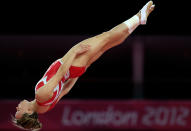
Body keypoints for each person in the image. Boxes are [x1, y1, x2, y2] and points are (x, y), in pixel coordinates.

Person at [12, 1, 155, 130]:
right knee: (106, 37)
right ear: (29, 112)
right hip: (72, 62)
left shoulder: (42, 109)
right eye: (19, 110)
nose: (18, 106)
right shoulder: (40, 95)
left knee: (107, 44)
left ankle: (138, 19)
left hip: (75, 68)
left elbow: (65, 90)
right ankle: (138, 18)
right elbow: (61, 73)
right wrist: (75, 53)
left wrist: (79, 73)